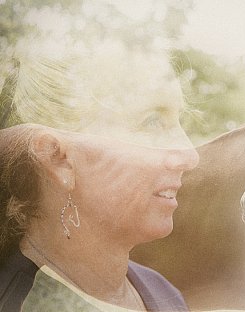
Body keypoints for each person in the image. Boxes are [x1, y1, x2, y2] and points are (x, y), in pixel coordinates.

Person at [0, 30, 199, 311]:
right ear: (58, 158)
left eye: (179, 121)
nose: (190, 156)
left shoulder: (163, 292)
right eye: (153, 121)